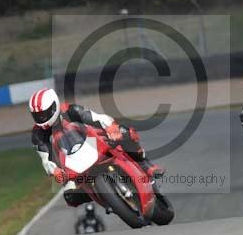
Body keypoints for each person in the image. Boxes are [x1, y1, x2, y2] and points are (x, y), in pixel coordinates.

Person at [29, 88, 164, 207]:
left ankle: (146, 165)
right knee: (70, 197)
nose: (42, 118)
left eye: (44, 114)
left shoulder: (71, 111)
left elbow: (98, 118)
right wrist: (56, 171)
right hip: (71, 164)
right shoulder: (38, 134)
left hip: (92, 142)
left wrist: (111, 128)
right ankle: (104, 196)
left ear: (54, 106)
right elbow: (46, 160)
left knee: (125, 133)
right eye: (37, 116)